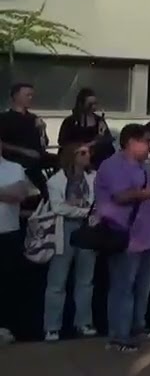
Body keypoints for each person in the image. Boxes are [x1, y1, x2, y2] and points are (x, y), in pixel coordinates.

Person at [96, 124, 150, 352]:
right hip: (125, 234)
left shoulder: (146, 167)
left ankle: (138, 326)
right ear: (131, 142)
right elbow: (121, 196)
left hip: (149, 234)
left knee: (143, 286)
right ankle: (118, 335)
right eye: (146, 141)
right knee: (123, 286)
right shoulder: (112, 165)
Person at [42, 142, 98, 341]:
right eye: (82, 153)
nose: (87, 155)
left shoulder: (94, 177)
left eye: (88, 152)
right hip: (64, 227)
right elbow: (59, 207)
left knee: (86, 279)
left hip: (88, 228)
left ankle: (83, 322)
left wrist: (84, 210)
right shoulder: (56, 180)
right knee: (58, 279)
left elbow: (97, 202)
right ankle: (52, 326)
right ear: (71, 156)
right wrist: (84, 211)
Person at [1, 136, 40, 344]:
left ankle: (5, 326)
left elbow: (19, 194)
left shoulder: (14, 168)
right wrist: (5, 193)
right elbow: (10, 194)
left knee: (7, 282)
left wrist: (10, 193)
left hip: (8, 232)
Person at [57, 88, 114, 168]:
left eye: (95, 103)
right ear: (81, 104)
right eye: (90, 104)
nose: (93, 107)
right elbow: (63, 141)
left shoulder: (99, 120)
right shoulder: (70, 121)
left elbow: (107, 139)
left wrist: (102, 135)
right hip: (76, 154)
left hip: (96, 154)